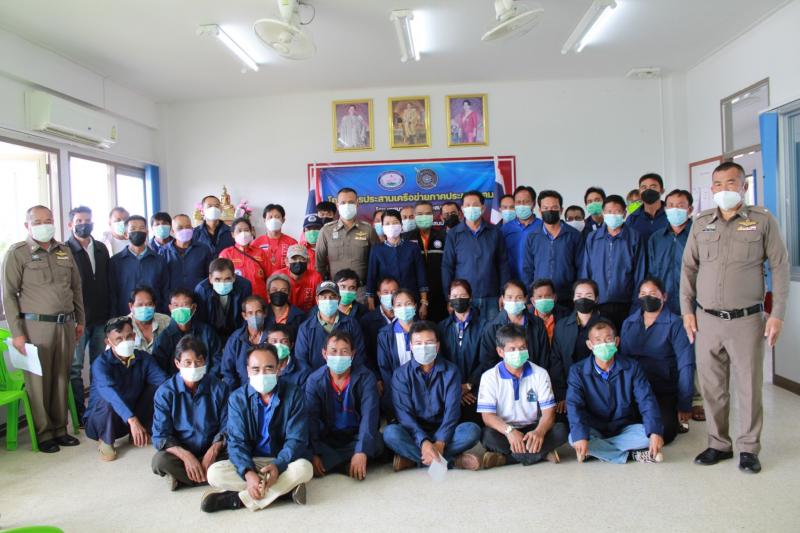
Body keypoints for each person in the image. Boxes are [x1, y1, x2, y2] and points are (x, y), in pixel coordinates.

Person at [680, 161, 790, 474]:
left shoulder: (762, 220)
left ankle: (749, 449)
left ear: (744, 186)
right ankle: (718, 444)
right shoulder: (701, 223)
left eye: (731, 182)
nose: (724, 189)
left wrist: (777, 314)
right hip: (707, 319)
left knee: (749, 386)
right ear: (711, 188)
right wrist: (687, 311)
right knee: (712, 387)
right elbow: (688, 269)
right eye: (718, 183)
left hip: (746, 320)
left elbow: (780, 267)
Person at [2, 205, 85, 453]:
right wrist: (17, 333)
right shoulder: (18, 253)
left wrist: (80, 320)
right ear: (27, 226)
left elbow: (76, 288)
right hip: (35, 327)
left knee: (61, 377)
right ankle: (44, 433)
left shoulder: (64, 251)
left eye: (48, 220)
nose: (44, 225)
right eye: (37, 222)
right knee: (38, 381)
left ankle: (60, 429)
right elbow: (8, 295)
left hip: (65, 324)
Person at [202, 344, 312, 513]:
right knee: (214, 473)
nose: (262, 374)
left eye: (269, 368)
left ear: (279, 368)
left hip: (281, 460)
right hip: (252, 460)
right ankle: (284, 491)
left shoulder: (294, 394)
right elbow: (236, 442)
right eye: (256, 369)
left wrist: (278, 466)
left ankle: (238, 499)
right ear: (247, 370)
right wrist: (248, 473)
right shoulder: (237, 399)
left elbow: (296, 440)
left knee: (305, 468)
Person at [383, 321, 482, 471]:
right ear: (411, 346)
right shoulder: (400, 375)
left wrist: (441, 441)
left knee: (472, 431)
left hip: (445, 430)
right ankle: (452, 461)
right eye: (418, 343)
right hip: (414, 432)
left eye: (429, 343)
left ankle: (414, 460)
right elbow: (404, 415)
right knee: (391, 434)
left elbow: (452, 412)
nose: (423, 347)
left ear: (437, 346)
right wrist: (423, 442)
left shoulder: (451, 371)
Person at [566, 320, 665, 464]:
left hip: (623, 427)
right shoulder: (577, 371)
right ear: (590, 345)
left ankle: (598, 451)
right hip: (594, 428)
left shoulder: (632, 367)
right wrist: (581, 437)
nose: (603, 344)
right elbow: (574, 405)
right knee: (574, 438)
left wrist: (654, 432)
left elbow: (646, 399)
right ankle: (631, 455)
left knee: (648, 435)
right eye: (598, 340)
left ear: (616, 341)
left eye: (608, 339)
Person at [648, 189, 705, 421]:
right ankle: (674, 397)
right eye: (670, 205)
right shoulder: (656, 238)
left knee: (694, 353)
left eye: (680, 206)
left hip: (693, 305)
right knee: (667, 353)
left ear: (689, 210)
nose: (675, 210)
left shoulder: (699, 235)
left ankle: (697, 399)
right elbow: (651, 272)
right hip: (664, 305)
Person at [478, 324, 568, 468]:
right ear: (500, 352)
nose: (518, 353)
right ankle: (542, 453)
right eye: (512, 349)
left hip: (533, 428)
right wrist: (510, 432)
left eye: (522, 348)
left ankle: (505, 459)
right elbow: (487, 417)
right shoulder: (489, 377)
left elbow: (549, 412)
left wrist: (539, 432)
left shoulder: (540, 373)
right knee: (486, 436)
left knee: (561, 430)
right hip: (505, 430)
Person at [620, 277, 694, 444]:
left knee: (665, 431)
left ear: (664, 297)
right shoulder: (629, 323)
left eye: (653, 294)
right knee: (616, 424)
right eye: (643, 294)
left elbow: (686, 365)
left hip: (663, 389)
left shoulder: (675, 324)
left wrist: (685, 403)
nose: (647, 297)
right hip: (635, 389)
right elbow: (623, 361)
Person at [84, 317, 168, 461]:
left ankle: (140, 432)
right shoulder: (101, 364)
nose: (125, 342)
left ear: (134, 336)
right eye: (119, 339)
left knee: (156, 390)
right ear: (108, 342)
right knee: (109, 400)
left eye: (128, 337)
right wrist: (132, 420)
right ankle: (106, 440)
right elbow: (110, 394)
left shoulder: (143, 358)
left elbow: (164, 382)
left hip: (130, 416)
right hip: (101, 419)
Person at [152, 335, 229, 490]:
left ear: (205, 362)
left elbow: (228, 426)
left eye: (198, 361)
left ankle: (183, 479)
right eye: (187, 362)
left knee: (239, 451)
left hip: (213, 449)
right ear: (177, 363)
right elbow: (161, 435)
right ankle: (212, 476)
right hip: (181, 451)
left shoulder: (219, 388)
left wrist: (213, 450)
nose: (194, 367)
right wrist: (186, 456)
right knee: (159, 461)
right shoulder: (165, 392)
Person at [305, 331, 382, 480]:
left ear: (352, 354)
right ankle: (348, 465)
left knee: (377, 441)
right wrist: (315, 453)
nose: (338, 356)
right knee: (305, 450)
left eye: (344, 351)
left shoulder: (366, 377)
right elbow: (311, 419)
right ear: (324, 354)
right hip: (328, 438)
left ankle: (342, 462)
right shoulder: (314, 380)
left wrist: (361, 450)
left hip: (355, 436)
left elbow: (369, 416)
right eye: (333, 351)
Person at [66, 205, 112, 423]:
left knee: (98, 365)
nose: (84, 225)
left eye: (87, 220)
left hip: (101, 318)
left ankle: (96, 408)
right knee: (75, 368)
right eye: (79, 221)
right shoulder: (64, 250)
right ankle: (79, 413)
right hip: (77, 320)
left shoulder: (102, 248)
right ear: (70, 224)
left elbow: (108, 281)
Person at [579, 194, 646, 331]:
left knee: (625, 338)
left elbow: (640, 273)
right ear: (603, 213)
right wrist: (587, 299)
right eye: (609, 212)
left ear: (624, 213)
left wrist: (636, 303)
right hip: (598, 303)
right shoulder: (593, 238)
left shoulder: (634, 238)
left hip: (626, 303)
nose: (613, 215)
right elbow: (586, 270)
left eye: (617, 212)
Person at [442, 190, 510, 322]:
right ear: (462, 209)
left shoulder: (495, 232)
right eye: (467, 205)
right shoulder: (454, 234)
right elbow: (447, 267)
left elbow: (503, 265)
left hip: (491, 297)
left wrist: (504, 293)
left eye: (475, 205)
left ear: (483, 208)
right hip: (463, 298)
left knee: (493, 332)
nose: (471, 208)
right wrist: (449, 297)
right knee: (466, 332)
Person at [477, 280, 556, 392]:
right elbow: (487, 362)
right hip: (503, 385)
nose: (513, 301)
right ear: (502, 299)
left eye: (519, 298)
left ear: (525, 299)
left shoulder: (537, 323)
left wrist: (539, 381)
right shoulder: (492, 327)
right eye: (509, 297)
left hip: (534, 382)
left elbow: (544, 357)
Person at [551, 279, 603, 415]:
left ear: (596, 299)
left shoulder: (605, 326)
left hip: (598, 391)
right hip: (568, 389)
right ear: (573, 298)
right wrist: (562, 394)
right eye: (579, 295)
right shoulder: (562, 325)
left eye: (589, 296)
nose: (583, 299)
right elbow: (556, 360)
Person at [522, 190, 584, 304]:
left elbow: (581, 268)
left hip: (567, 298)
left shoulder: (574, 235)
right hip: (540, 299)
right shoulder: (532, 237)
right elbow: (527, 269)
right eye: (545, 208)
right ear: (540, 210)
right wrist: (530, 296)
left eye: (554, 207)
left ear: (561, 210)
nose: (550, 211)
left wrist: (578, 295)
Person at [437, 279, 485, 425]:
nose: (458, 299)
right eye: (455, 296)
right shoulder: (441, 327)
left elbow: (486, 360)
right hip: (449, 389)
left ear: (470, 298)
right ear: (449, 299)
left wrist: (469, 385)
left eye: (463, 296)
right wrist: (457, 389)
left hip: (476, 390)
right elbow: (440, 360)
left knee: (473, 424)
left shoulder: (484, 326)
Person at [294, 281, 366, 376]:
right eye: (324, 297)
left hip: (347, 379)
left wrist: (346, 380)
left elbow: (359, 356)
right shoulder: (305, 328)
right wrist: (315, 381)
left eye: (332, 297)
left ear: (339, 299)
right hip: (315, 381)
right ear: (317, 300)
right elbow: (301, 362)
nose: (328, 300)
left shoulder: (351, 324)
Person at [314, 187, 380, 291]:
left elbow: (377, 262)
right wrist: (324, 290)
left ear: (357, 204)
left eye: (351, 202)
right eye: (343, 203)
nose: (347, 205)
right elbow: (319, 264)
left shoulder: (368, 230)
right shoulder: (326, 231)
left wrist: (371, 292)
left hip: (362, 290)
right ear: (337, 205)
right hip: (335, 290)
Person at [366, 209, 428, 315]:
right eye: (387, 224)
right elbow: (371, 277)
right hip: (386, 302)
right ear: (382, 227)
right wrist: (370, 302)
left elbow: (421, 276)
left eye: (395, 223)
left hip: (410, 301)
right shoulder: (376, 250)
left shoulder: (413, 248)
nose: (391, 226)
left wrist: (424, 302)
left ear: (401, 225)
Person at [152, 289, 223, 376]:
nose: (180, 309)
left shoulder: (207, 332)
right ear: (170, 308)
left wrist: (208, 380)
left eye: (185, 305)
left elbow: (218, 359)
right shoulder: (163, 338)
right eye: (176, 305)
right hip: (175, 383)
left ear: (193, 307)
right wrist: (176, 383)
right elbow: (159, 371)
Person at [108, 215, 170, 316]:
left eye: (141, 228)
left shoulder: (159, 260)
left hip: (154, 317)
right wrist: (114, 318)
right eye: (133, 229)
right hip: (125, 317)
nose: (137, 231)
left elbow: (165, 291)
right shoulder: (116, 262)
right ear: (126, 234)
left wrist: (164, 315)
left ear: (147, 232)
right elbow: (112, 293)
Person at [401, 200, 448, 322]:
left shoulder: (443, 237)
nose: (424, 217)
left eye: (427, 213)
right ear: (414, 216)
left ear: (433, 215)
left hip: (439, 295)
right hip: (414, 296)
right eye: (420, 214)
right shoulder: (405, 238)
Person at [376, 289, 419, 418]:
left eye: (408, 304)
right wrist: (399, 390)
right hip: (396, 391)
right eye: (399, 305)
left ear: (415, 306)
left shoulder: (426, 330)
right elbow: (384, 368)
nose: (404, 308)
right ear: (393, 309)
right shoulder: (385, 335)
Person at [194, 258, 253, 341]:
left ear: (234, 277)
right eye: (217, 279)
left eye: (227, 279)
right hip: (211, 335)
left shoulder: (244, 287)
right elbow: (202, 321)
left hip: (237, 334)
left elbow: (245, 317)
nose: (222, 283)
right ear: (210, 278)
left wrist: (236, 339)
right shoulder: (202, 290)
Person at [161, 213, 214, 295]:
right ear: (172, 231)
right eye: (180, 228)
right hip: (173, 298)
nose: (185, 230)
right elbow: (162, 279)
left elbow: (210, 275)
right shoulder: (164, 251)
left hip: (198, 296)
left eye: (188, 227)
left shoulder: (204, 249)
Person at [219, 217, 269, 301]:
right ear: (233, 234)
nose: (243, 233)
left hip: (259, 299)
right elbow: (221, 280)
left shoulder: (260, 253)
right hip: (236, 299)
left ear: (251, 232)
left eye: (246, 230)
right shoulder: (226, 254)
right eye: (239, 230)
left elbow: (269, 276)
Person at [359, 276, 398, 374]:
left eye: (394, 292)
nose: (390, 295)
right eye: (385, 292)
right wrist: (376, 377)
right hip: (378, 374)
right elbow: (366, 354)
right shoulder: (367, 321)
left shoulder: (407, 317)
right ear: (379, 294)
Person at [501, 185, 542, 280]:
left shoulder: (542, 227)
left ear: (533, 204)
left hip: (536, 281)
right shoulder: (505, 229)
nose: (522, 205)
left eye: (526, 202)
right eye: (518, 202)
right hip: (512, 282)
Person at [274, 244, 323, 314]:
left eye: (302, 259)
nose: (298, 262)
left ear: (308, 261)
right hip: (286, 316)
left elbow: (319, 303)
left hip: (308, 316)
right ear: (287, 261)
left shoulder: (316, 277)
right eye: (294, 259)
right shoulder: (278, 277)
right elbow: (275, 305)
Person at [253, 204, 297, 278]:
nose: (273, 220)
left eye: (277, 217)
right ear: (264, 220)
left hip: (286, 281)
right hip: (262, 282)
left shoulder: (292, 243)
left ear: (283, 220)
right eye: (270, 217)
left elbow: (296, 266)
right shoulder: (256, 243)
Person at [625, 173, 669, 246]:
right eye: (644, 187)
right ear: (640, 192)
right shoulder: (632, 219)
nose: (648, 190)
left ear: (662, 190)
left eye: (653, 187)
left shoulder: (671, 214)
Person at [128, 286, 171, 353]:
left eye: (149, 304)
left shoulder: (166, 321)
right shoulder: (121, 326)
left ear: (154, 305)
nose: (144, 308)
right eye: (140, 305)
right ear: (131, 306)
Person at [529, 279, 571, 343]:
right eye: (539, 297)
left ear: (555, 298)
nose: (543, 300)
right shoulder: (526, 318)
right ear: (533, 301)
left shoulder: (566, 316)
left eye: (547, 296)